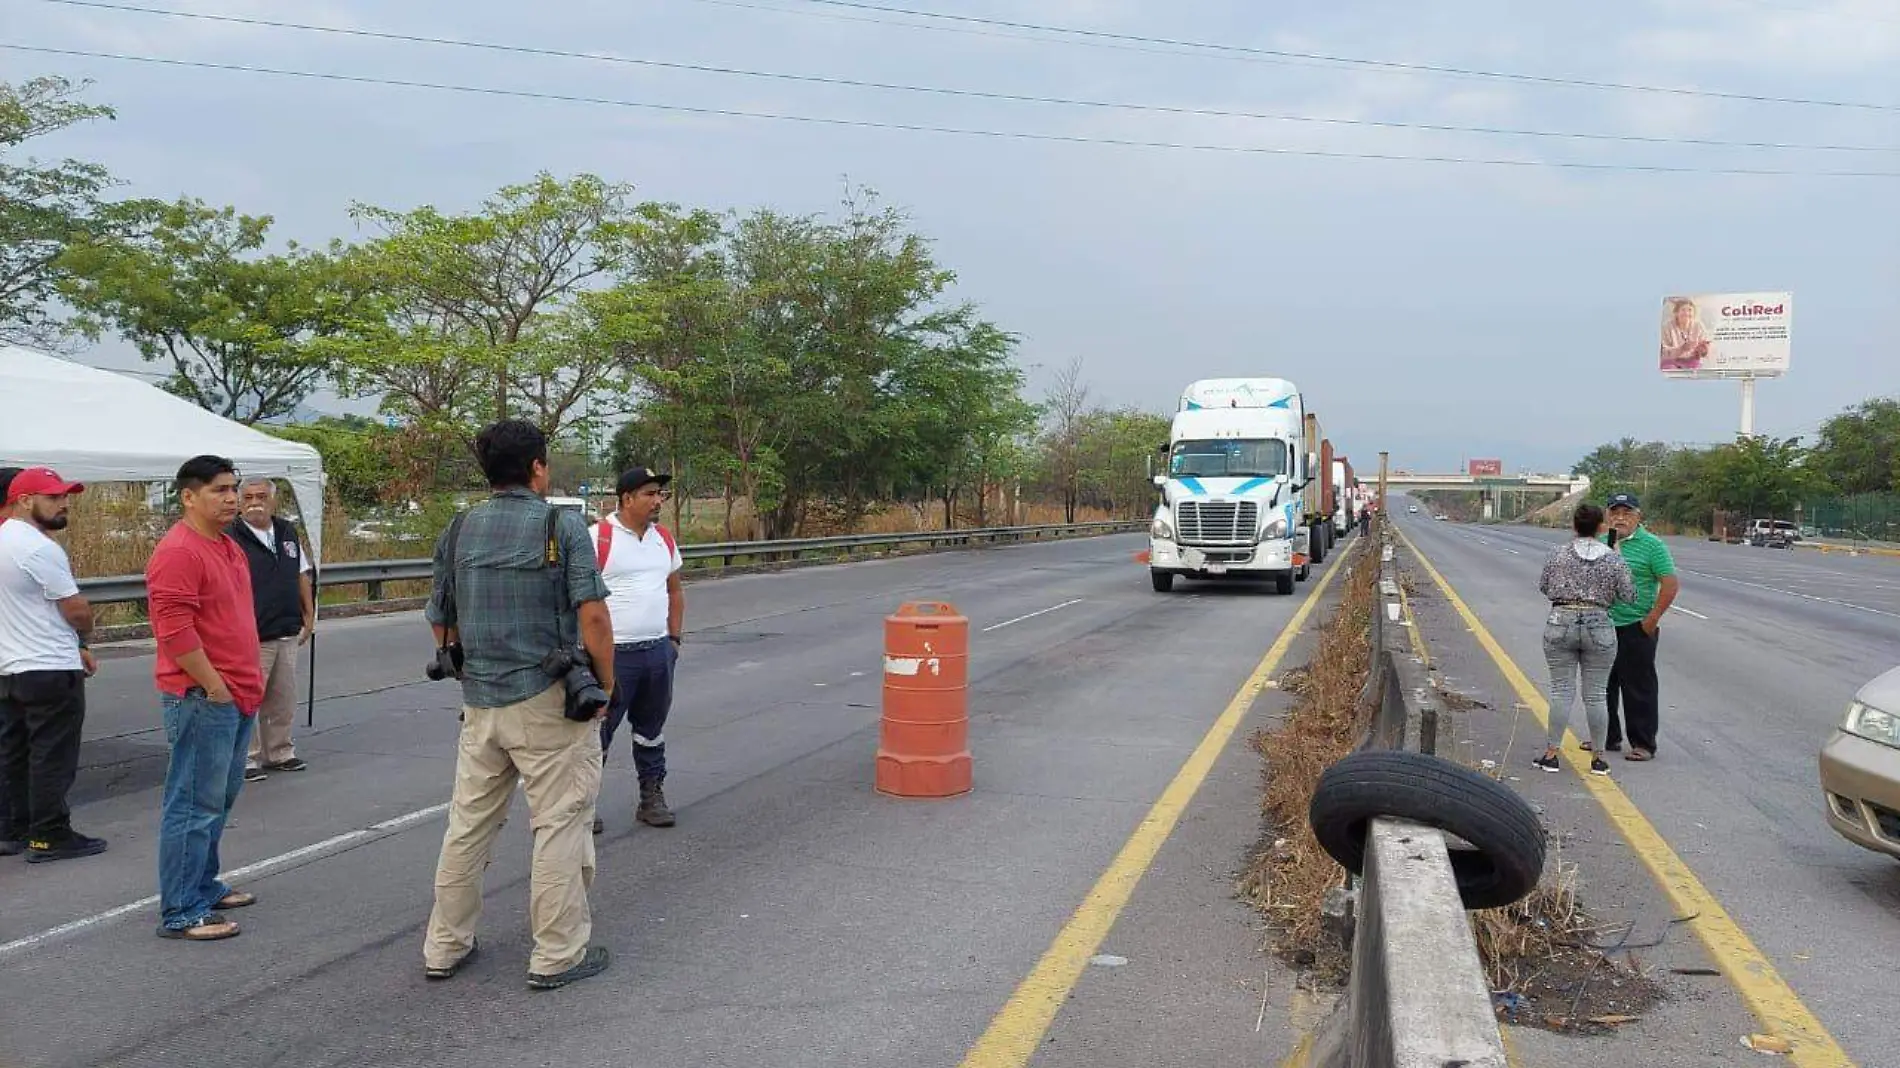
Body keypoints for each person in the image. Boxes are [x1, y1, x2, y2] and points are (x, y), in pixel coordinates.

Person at [420, 419, 616, 991]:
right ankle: (557, 955)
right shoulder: (563, 524)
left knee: (467, 827)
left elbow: (439, 618)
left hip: (480, 706)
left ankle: (444, 946)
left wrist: (466, 668)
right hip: (548, 702)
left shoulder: (459, 529)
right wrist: (606, 683)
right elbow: (595, 616)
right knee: (559, 825)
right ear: (538, 467)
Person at [147, 455, 265, 941]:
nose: (232, 498)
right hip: (203, 695)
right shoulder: (179, 551)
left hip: (236, 692)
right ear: (189, 496)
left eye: (233, 488)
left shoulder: (227, 545)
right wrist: (213, 684)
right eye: (219, 490)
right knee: (193, 803)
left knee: (218, 798)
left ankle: (204, 884)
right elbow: (173, 628)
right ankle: (182, 908)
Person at [0, 467, 106, 863]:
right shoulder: (39, 547)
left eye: (65, 496)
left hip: (10, 664)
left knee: (13, 749)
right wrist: (85, 636)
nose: (64, 504)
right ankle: (49, 834)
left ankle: (11, 829)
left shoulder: (4, 538)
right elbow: (76, 608)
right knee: (51, 752)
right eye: (53, 497)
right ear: (25, 500)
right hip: (47, 664)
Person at [592, 467, 686, 835]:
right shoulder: (598, 538)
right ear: (627, 498)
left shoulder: (663, 537)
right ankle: (583, 805)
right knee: (597, 732)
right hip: (613, 656)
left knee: (651, 729)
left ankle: (651, 796)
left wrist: (674, 640)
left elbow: (674, 591)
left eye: (660, 494)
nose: (657, 500)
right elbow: (577, 601)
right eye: (649, 494)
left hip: (657, 652)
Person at [1534, 502, 1634, 777]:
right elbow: (1629, 595)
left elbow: (1544, 586)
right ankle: (1599, 758)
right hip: (1599, 623)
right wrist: (1617, 557)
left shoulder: (1557, 554)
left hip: (1561, 620)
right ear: (1602, 526)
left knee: (1561, 691)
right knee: (1596, 695)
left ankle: (1552, 753)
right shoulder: (1613, 558)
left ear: (1574, 526)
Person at [230, 477, 314, 783]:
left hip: (286, 627)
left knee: (282, 697)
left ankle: (279, 752)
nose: (255, 502)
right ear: (240, 502)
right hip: (251, 632)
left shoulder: (286, 532)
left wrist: (309, 613)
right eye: (249, 496)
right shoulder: (232, 535)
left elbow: (302, 573)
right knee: (248, 698)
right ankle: (246, 757)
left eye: (262, 496)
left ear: (273, 500)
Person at [1600, 492, 1679, 762]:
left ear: (1638, 516)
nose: (1620, 518)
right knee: (1601, 686)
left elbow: (1669, 583)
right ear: (1608, 515)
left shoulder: (1652, 546)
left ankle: (1643, 743)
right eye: (1615, 513)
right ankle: (1606, 737)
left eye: (1627, 513)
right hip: (1602, 626)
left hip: (1636, 626)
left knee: (1638, 687)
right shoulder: (1601, 543)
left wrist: (1651, 619)